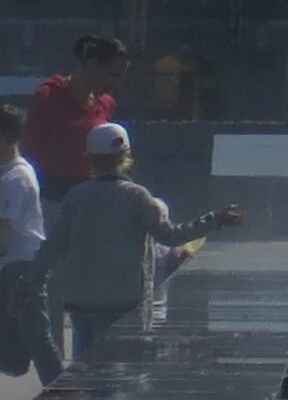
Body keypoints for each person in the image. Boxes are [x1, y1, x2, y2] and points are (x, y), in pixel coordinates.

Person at [29, 121, 242, 361]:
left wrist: (28, 280)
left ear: (89, 158)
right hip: (125, 302)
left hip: (83, 302)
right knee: (122, 374)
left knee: (84, 369)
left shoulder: (75, 197)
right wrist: (214, 220)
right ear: (126, 156)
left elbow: (53, 246)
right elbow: (170, 235)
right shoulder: (137, 197)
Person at [24, 33, 125, 203]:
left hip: (90, 199)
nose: (117, 84)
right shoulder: (48, 96)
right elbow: (30, 151)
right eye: (112, 75)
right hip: (49, 197)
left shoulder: (106, 103)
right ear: (92, 65)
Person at [0, 102, 60, 386]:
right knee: (22, 343)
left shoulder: (17, 178)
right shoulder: (8, 174)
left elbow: (2, 231)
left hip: (23, 269)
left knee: (38, 338)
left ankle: (63, 390)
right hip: (14, 267)